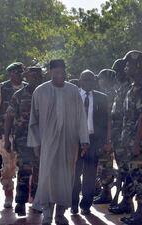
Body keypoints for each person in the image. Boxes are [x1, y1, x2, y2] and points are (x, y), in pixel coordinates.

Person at [27, 59, 89, 225]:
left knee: (66, 178)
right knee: (47, 178)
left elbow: (81, 117)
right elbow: (33, 120)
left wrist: (84, 139)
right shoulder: (40, 91)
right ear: (50, 72)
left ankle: (60, 214)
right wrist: (36, 143)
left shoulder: (73, 90)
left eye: (62, 72)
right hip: (47, 143)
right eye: (56, 73)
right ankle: (47, 214)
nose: (60, 76)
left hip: (69, 144)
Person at [4, 66, 43, 216]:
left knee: (39, 170)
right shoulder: (18, 95)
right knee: (25, 169)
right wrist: (7, 138)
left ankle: (36, 199)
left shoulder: (46, 93)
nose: (34, 79)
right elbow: (9, 116)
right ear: (27, 77)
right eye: (31, 77)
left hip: (42, 138)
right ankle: (20, 202)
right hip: (23, 138)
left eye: (37, 77)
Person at [0, 62, 27, 208]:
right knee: (8, 166)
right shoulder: (2, 88)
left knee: (26, 166)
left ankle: (23, 196)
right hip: (6, 134)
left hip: (24, 134)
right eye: (15, 72)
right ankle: (8, 195)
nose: (18, 75)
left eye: (20, 72)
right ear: (10, 74)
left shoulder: (28, 88)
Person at [71, 70, 109, 215]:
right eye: (85, 79)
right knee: (74, 175)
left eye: (91, 79)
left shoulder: (102, 98)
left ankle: (86, 205)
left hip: (93, 141)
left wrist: (106, 141)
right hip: (76, 141)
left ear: (94, 81)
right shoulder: (72, 97)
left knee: (90, 175)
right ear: (80, 81)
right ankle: (73, 204)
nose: (88, 82)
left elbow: (106, 121)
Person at [120, 50, 142, 225]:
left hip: (136, 142)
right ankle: (139, 212)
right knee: (134, 177)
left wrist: (137, 143)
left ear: (138, 66)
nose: (126, 67)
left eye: (129, 64)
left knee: (141, 178)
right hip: (129, 141)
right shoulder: (133, 88)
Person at [108, 58, 133, 213]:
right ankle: (125, 200)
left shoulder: (130, 88)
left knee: (128, 171)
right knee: (122, 171)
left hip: (127, 137)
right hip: (119, 136)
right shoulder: (121, 89)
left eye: (118, 72)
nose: (117, 75)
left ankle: (128, 201)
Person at [93, 69, 117, 205]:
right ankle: (104, 190)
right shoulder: (109, 94)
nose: (99, 81)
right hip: (107, 134)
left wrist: (107, 139)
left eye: (101, 78)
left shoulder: (108, 95)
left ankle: (106, 191)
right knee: (103, 164)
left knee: (105, 164)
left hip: (108, 135)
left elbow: (108, 118)